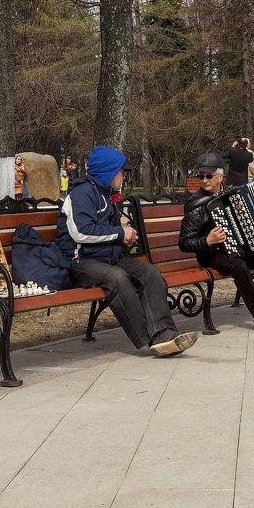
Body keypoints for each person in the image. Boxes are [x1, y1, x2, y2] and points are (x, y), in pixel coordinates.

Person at [56, 145, 199, 356]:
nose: (124, 177)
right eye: (122, 172)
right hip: (80, 262)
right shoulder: (82, 192)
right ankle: (153, 338)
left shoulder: (106, 194)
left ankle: (165, 331)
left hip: (108, 258)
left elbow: (107, 232)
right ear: (108, 172)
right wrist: (120, 234)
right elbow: (80, 232)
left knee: (150, 272)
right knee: (118, 278)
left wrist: (126, 239)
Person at [179, 153, 254, 332]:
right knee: (239, 266)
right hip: (212, 254)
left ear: (220, 177)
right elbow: (184, 242)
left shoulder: (234, 192)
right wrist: (207, 241)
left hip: (241, 249)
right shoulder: (196, 205)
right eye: (201, 176)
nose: (204, 180)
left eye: (209, 176)